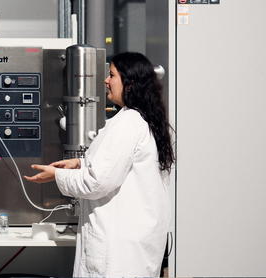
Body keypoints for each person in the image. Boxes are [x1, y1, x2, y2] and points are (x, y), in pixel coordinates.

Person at [24, 52, 174, 277]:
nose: (106, 80)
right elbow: (120, 165)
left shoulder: (127, 122)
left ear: (130, 83)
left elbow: (98, 182)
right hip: (135, 245)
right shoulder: (147, 120)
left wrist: (56, 175)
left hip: (117, 252)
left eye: (112, 75)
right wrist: (80, 163)